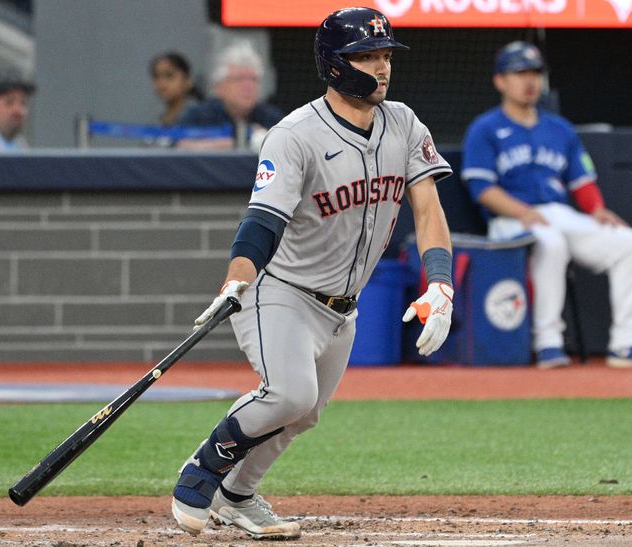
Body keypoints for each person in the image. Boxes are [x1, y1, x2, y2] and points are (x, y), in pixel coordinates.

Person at [171, 7, 455, 539]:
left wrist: (439, 280)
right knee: (289, 395)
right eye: (366, 57)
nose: (381, 67)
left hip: (342, 306)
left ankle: (237, 496)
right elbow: (262, 218)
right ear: (334, 65)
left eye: (385, 55)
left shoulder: (404, 123)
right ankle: (203, 469)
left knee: (304, 415)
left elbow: (428, 209)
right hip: (279, 289)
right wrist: (237, 276)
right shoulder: (293, 134)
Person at [461, 41, 632, 369]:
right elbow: (482, 188)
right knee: (551, 244)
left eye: (535, 73)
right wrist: (522, 212)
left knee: (631, 244)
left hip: (558, 213)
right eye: (519, 73)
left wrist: (596, 209)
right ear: (500, 80)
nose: (529, 81)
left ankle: (627, 343)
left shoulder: (559, 128)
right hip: (512, 219)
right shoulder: (485, 129)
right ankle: (548, 343)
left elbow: (582, 182)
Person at [175, 41, 283, 151]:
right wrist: (237, 142)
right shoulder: (199, 115)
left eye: (254, 79)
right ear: (219, 86)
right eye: (239, 79)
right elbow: (178, 145)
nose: (248, 86)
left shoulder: (272, 118)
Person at [149, 51, 201, 127]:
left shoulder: (201, 118)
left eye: (169, 76)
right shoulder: (156, 122)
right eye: (156, 76)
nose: (162, 83)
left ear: (188, 81)